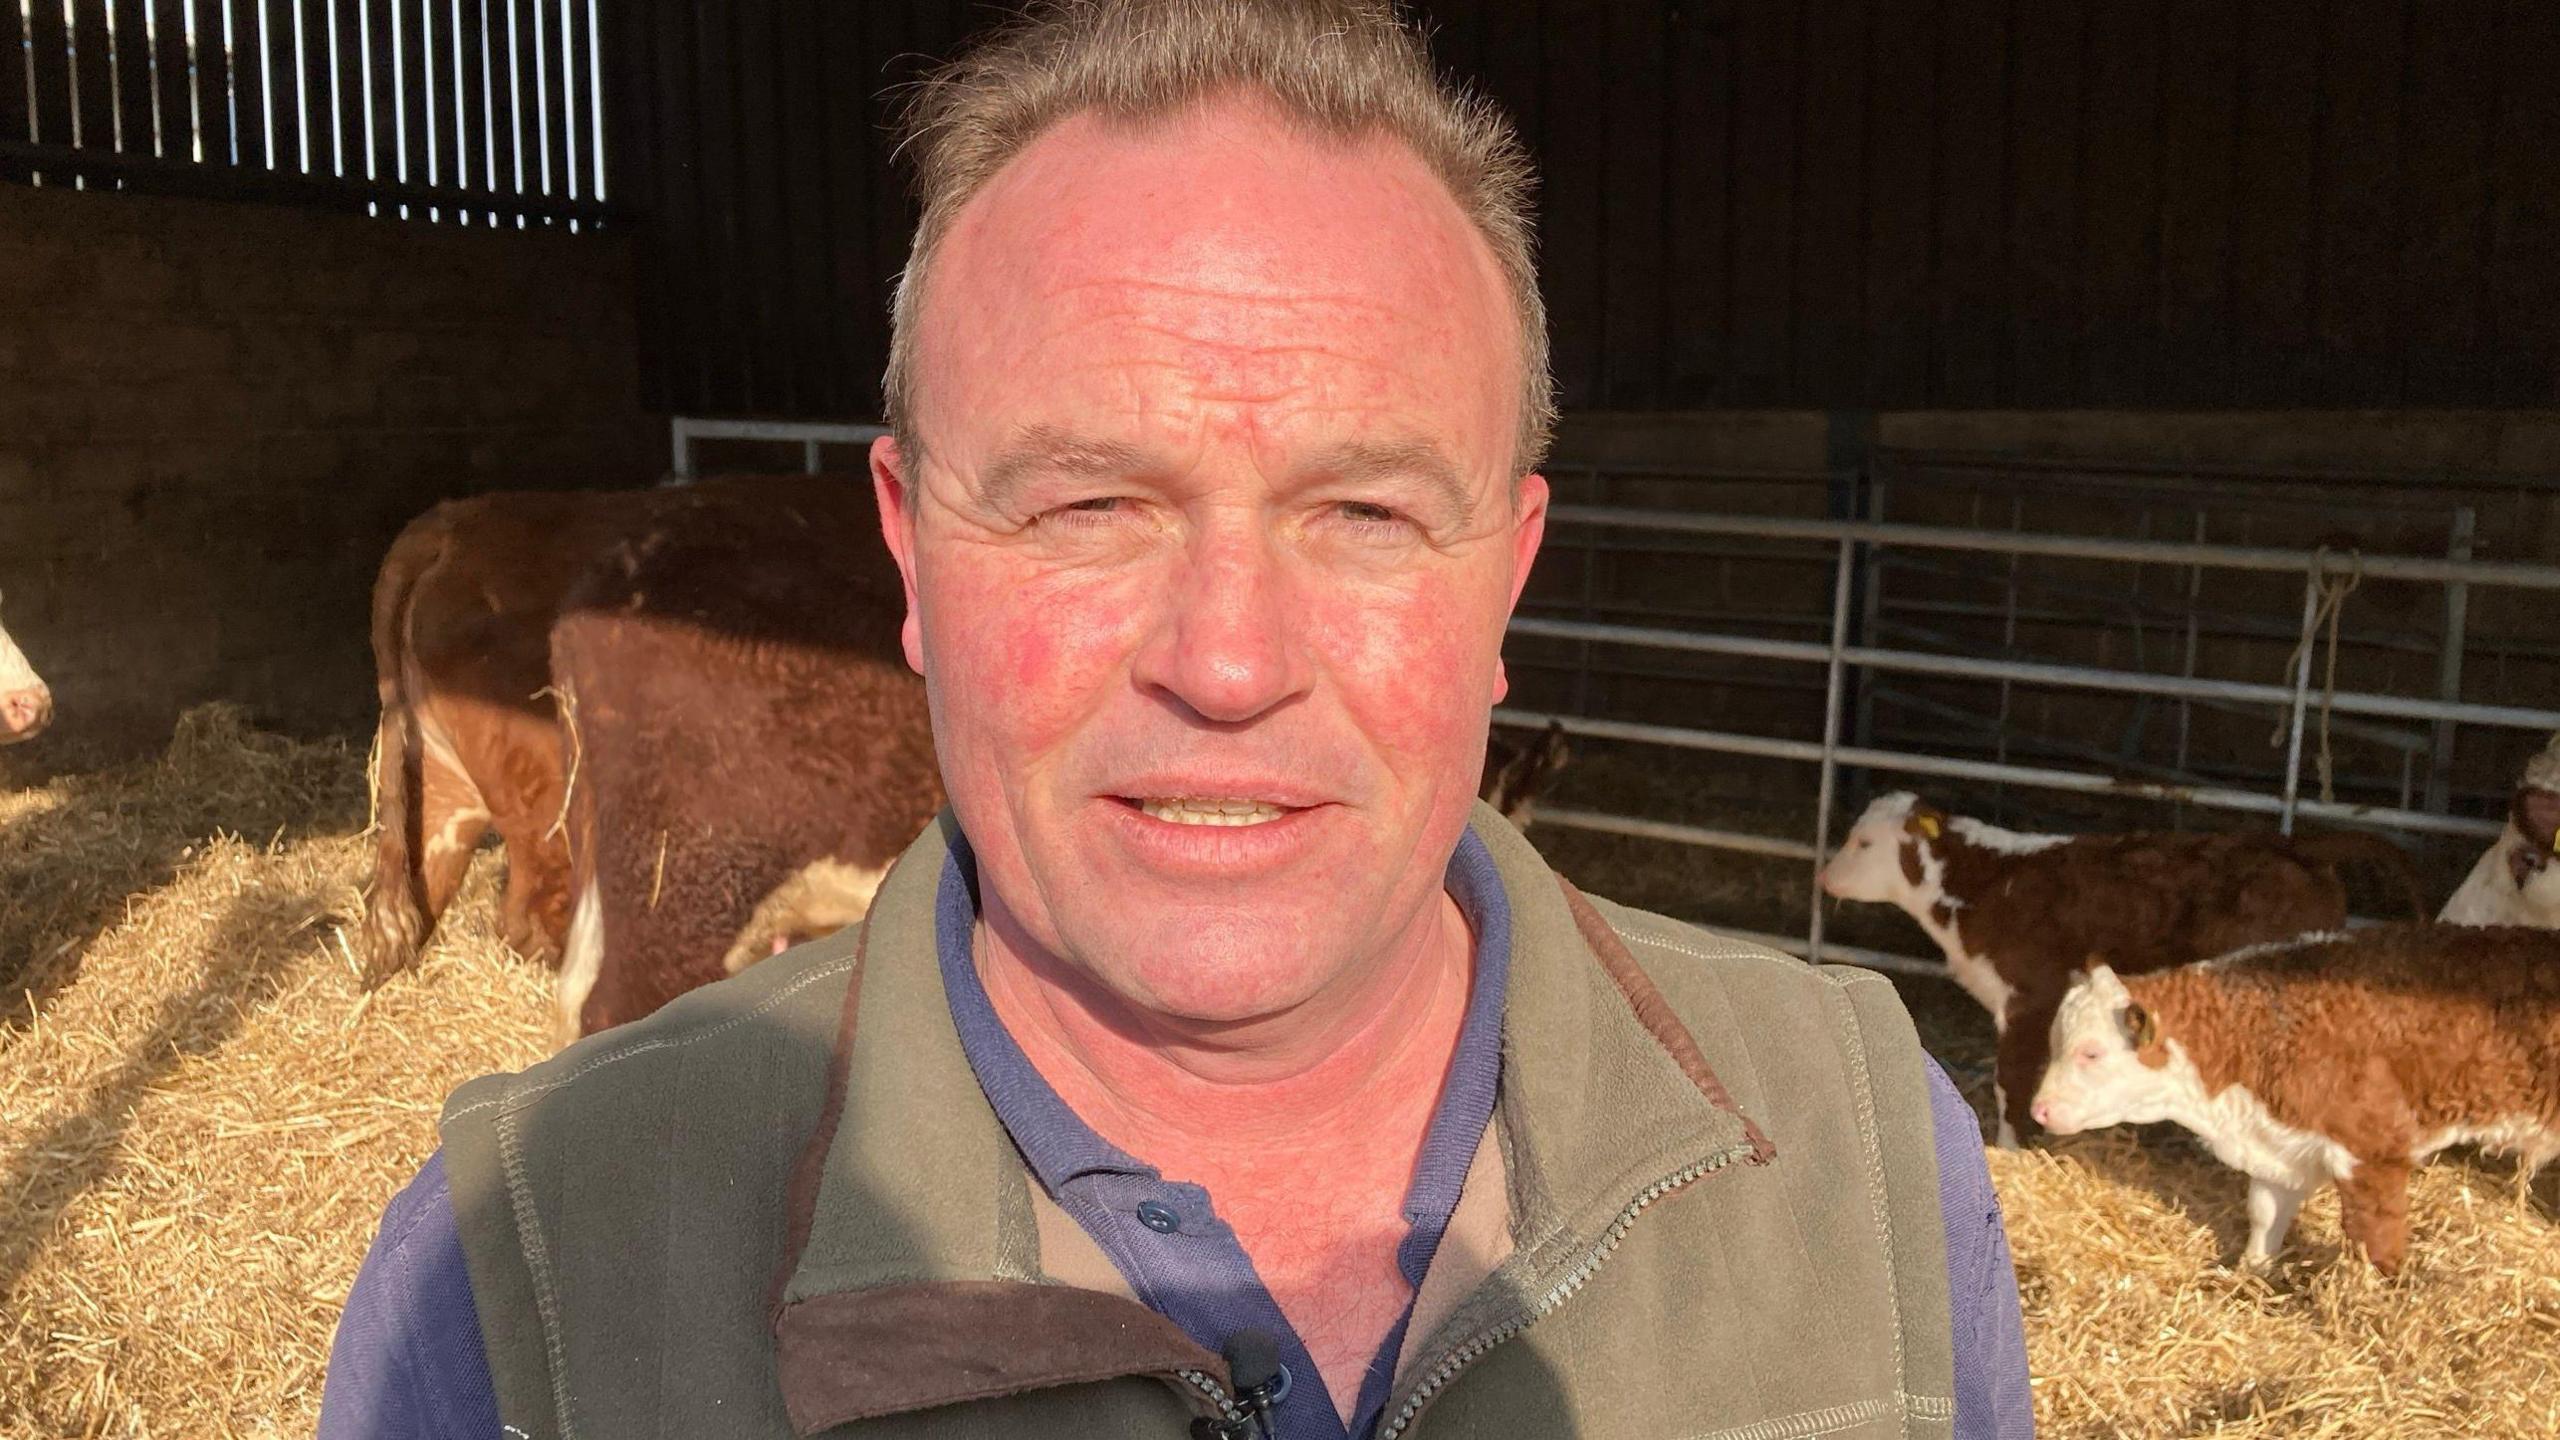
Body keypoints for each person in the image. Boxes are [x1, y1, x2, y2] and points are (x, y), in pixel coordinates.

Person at [318, 3, 2035, 1437]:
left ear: (1503, 579)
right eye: (1087, 507)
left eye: (1364, 513)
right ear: (912, 552)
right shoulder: (524, 1287)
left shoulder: (1865, 1158)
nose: (1226, 665)